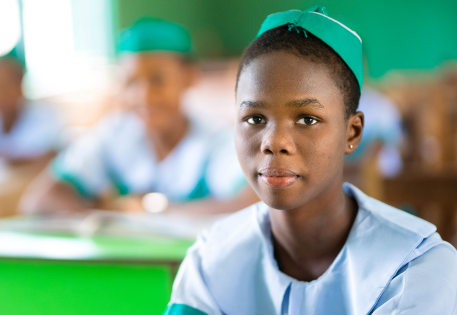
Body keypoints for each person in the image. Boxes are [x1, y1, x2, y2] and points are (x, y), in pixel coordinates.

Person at [165, 6, 457, 315]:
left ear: (352, 133)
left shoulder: (414, 266)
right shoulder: (211, 259)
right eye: (254, 118)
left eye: (306, 119)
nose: (273, 142)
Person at [21, 18, 258, 215]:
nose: (143, 96)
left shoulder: (216, 141)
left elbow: (253, 202)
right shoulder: (114, 135)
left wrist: (148, 213)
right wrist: (103, 217)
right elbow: (39, 199)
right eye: (131, 82)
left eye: (157, 80)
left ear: (189, 77)